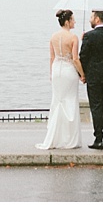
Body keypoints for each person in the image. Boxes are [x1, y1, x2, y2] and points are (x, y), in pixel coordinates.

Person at [36, 9, 84, 150]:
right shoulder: (73, 37)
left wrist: (52, 73)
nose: (75, 21)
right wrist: (82, 74)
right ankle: (69, 139)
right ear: (68, 22)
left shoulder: (53, 36)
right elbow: (75, 59)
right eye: (73, 19)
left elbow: (52, 57)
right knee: (70, 102)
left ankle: (55, 137)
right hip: (69, 71)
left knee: (57, 101)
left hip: (57, 70)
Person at [78, 9, 103, 149]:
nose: (90, 20)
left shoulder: (89, 36)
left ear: (97, 19)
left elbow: (83, 56)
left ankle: (98, 138)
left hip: (94, 75)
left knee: (96, 106)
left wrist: (82, 74)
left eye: (92, 17)